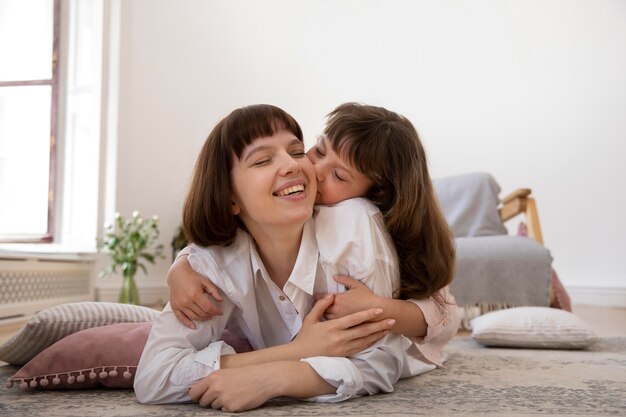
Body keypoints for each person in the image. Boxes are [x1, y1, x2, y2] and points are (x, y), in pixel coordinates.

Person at [134, 104, 446, 412]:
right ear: (229, 197)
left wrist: (279, 377)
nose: (295, 165)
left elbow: (380, 361)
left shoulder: (354, 221)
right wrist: (297, 351)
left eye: (296, 152)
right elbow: (152, 378)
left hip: (423, 337)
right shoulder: (211, 262)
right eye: (262, 161)